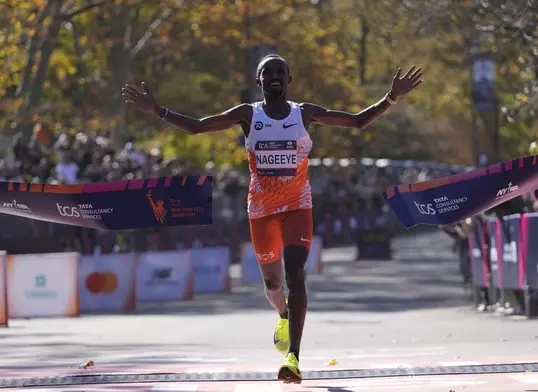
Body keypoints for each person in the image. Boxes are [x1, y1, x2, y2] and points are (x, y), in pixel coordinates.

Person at [122, 55, 423, 383]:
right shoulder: (247, 115)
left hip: (298, 205)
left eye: (281, 72)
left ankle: (293, 356)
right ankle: (282, 313)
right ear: (259, 82)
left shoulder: (304, 113)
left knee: (295, 273)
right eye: (268, 73)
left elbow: (357, 121)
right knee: (272, 284)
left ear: (289, 80)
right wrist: (158, 110)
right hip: (261, 209)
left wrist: (391, 97)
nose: (275, 77)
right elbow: (198, 127)